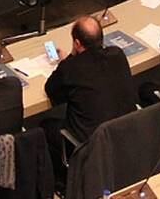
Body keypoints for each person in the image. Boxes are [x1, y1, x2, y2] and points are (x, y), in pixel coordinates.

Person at [43, 16, 138, 175]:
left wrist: (69, 59)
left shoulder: (71, 68)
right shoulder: (117, 54)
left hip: (90, 143)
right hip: (125, 134)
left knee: (44, 126)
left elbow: (51, 89)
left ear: (77, 43)